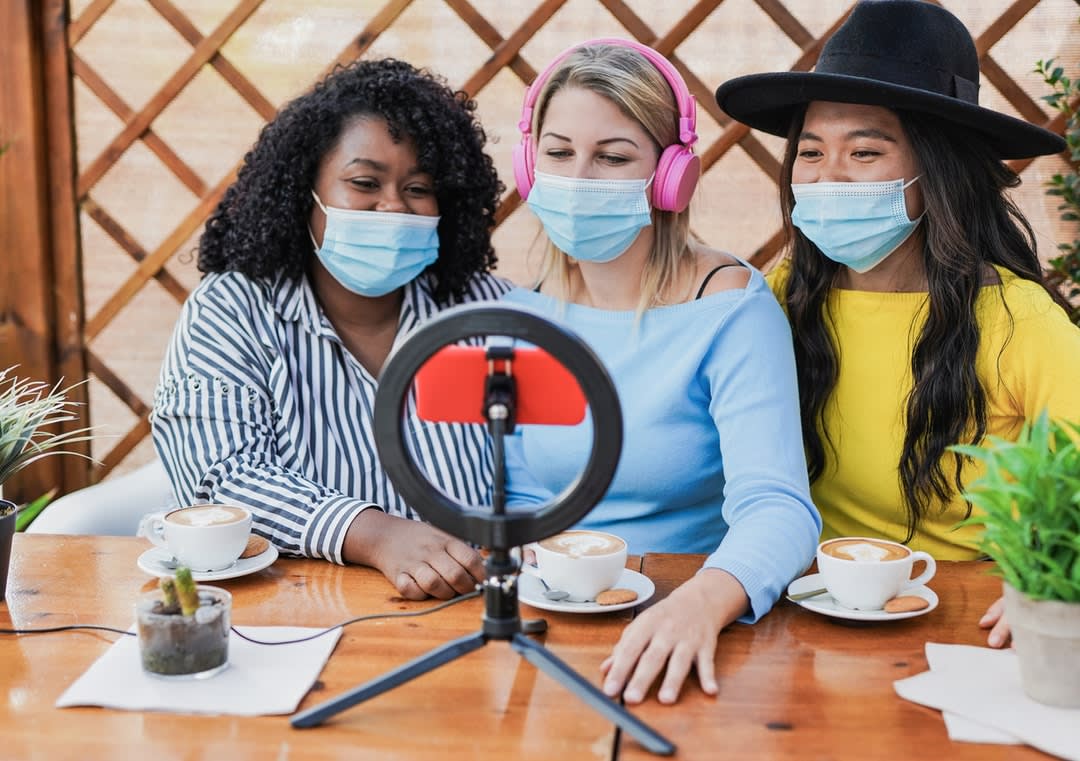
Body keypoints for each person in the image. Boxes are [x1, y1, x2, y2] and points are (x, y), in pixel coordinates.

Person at [714, 0, 1080, 647]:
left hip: (970, 620)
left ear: (935, 170)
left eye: (864, 152)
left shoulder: (1020, 321)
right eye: (811, 152)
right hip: (801, 613)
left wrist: (1048, 590)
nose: (827, 179)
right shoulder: (778, 299)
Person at [502, 39, 821, 705]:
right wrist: (543, 555)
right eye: (558, 153)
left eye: (613, 157)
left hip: (697, 616)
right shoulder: (522, 310)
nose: (579, 178)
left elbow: (779, 506)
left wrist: (702, 602)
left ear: (672, 175)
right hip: (559, 611)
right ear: (530, 167)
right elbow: (522, 485)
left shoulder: (730, 307)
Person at [152, 58, 511, 600]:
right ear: (305, 193)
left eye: (418, 188)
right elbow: (218, 480)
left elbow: (547, 462)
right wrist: (375, 535)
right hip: (296, 614)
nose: (393, 206)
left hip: (475, 604)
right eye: (364, 182)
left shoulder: (485, 312)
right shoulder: (233, 310)